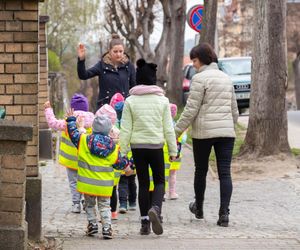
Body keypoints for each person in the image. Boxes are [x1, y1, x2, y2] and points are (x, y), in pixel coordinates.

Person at [174, 43, 239, 227]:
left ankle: (199, 208)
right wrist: (228, 125)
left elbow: (190, 110)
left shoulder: (200, 79)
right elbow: (234, 110)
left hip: (203, 134)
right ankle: (224, 214)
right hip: (226, 133)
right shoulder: (226, 78)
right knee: (225, 173)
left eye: (194, 60)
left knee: (201, 170)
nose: (193, 64)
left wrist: (176, 131)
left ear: (201, 59)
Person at [120, 58, 177, 235]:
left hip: (138, 147)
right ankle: (156, 208)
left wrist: (123, 151)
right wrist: (173, 150)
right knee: (160, 181)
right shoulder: (162, 101)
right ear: (153, 79)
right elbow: (169, 128)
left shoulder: (130, 101)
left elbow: (125, 128)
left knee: (143, 183)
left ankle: (145, 223)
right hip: (156, 147)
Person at [66, 112, 133, 239]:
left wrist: (71, 120)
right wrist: (128, 166)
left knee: (89, 205)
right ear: (109, 130)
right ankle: (107, 228)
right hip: (104, 186)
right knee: (104, 206)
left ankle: (92, 225)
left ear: (94, 127)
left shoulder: (84, 140)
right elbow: (120, 163)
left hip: (87, 184)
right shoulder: (113, 147)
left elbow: (73, 135)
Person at [44, 93, 94, 213]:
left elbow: (53, 123)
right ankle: (86, 202)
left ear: (72, 108)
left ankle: (76, 204)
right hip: (86, 159)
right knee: (86, 180)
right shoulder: (92, 120)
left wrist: (48, 109)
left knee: (73, 182)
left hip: (71, 160)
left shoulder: (67, 121)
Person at [77, 34, 136, 108]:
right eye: (115, 51)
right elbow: (83, 75)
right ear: (109, 51)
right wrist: (81, 60)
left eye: (121, 51)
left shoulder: (129, 66)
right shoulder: (101, 65)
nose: (118, 54)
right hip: (105, 110)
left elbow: (134, 89)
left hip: (125, 109)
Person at [109, 93, 137, 214]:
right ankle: (132, 202)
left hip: (122, 159)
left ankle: (123, 204)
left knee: (123, 182)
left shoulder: (114, 127)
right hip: (133, 159)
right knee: (131, 182)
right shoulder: (131, 125)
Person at [95, 104, 120, 220]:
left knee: (103, 194)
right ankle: (114, 212)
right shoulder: (117, 132)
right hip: (115, 168)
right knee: (114, 190)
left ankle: (104, 214)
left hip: (104, 170)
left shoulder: (99, 136)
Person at [165, 103, 187, 200]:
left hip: (165, 154)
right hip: (177, 153)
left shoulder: (163, 125)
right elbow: (183, 140)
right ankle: (172, 192)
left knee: (163, 174)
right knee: (173, 174)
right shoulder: (177, 126)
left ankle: (162, 193)